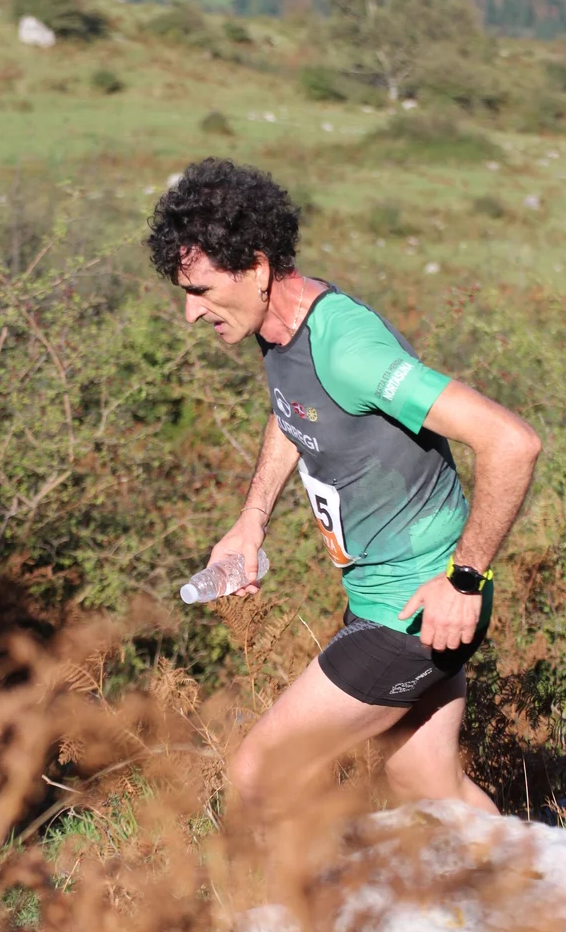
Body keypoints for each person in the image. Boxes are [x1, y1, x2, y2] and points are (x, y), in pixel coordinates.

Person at [147, 157, 541, 814]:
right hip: (382, 596)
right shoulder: (279, 328)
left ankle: (293, 889)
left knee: (258, 775)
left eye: (201, 290)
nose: (190, 313)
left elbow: (512, 442)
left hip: (420, 610)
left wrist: (465, 581)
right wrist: (250, 523)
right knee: (428, 787)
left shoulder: (348, 351)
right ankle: (530, 881)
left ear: (257, 267)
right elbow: (294, 411)